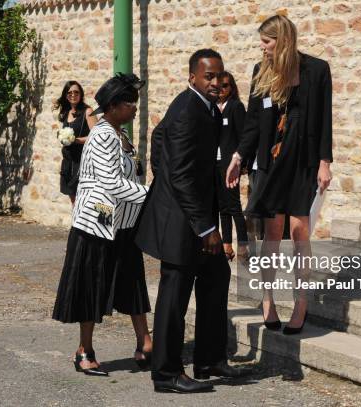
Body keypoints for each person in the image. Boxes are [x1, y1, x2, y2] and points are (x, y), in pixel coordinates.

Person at [136, 49, 249, 394]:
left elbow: (158, 136)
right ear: (193, 78)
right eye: (208, 77)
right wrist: (206, 227)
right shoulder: (189, 109)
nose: (215, 83)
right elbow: (183, 176)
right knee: (174, 295)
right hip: (182, 221)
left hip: (195, 213)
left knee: (217, 276)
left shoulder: (205, 107)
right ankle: (167, 374)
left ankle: (208, 359)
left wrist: (164, 172)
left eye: (219, 76)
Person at [226, 15, 333, 334]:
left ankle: (301, 303)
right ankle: (268, 298)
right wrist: (238, 155)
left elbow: (325, 118)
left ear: (283, 40)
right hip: (270, 162)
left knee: (300, 232)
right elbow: (253, 121)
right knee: (272, 234)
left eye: (267, 42)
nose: (262, 48)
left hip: (303, 162)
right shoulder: (262, 71)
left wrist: (325, 161)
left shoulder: (317, 69)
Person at [52, 73, 152, 376]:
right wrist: (152, 196)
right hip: (97, 224)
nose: (135, 108)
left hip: (121, 222)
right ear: (113, 106)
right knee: (91, 286)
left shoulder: (118, 132)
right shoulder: (104, 135)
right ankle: (84, 350)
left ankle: (145, 343)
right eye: (130, 103)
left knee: (132, 281)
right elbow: (110, 183)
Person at [215, 71, 249, 262]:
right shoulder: (212, 107)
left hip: (231, 164)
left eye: (226, 86)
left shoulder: (236, 107)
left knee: (234, 205)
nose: (221, 89)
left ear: (232, 87)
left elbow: (244, 135)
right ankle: (226, 244)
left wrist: (241, 162)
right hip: (216, 163)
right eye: (219, 86)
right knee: (222, 206)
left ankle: (243, 244)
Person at [53, 81, 98, 205]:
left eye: (76, 92)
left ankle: (82, 223)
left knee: (83, 200)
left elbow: (98, 136)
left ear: (81, 94)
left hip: (82, 162)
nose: (73, 95)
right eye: (70, 92)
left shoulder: (88, 112)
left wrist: (76, 140)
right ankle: (76, 223)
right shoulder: (66, 112)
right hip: (68, 161)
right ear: (66, 95)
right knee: (73, 199)